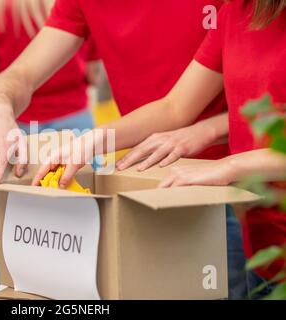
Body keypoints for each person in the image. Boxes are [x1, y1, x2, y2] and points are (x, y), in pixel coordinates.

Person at [0, 0, 255, 299]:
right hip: (146, 182)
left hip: (231, 187)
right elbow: (21, 74)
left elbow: (262, 99)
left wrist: (207, 131)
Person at [32, 0, 286, 296]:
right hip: (263, 240)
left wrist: (228, 166)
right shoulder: (236, 12)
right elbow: (175, 107)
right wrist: (90, 142)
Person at [0, 0, 99, 223]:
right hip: (73, 122)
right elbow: (94, 73)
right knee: (84, 207)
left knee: (15, 215)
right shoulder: (76, 7)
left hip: (18, 127)